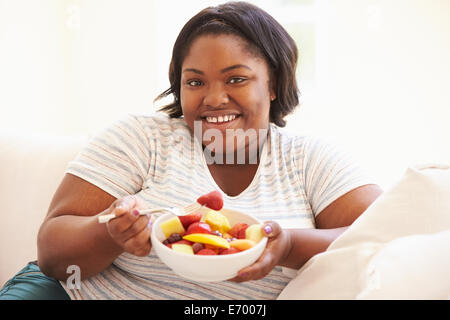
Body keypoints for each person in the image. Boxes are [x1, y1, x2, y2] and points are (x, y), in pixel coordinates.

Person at [0, 1, 382, 300]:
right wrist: (109, 234)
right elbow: (52, 255)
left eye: (236, 78)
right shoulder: (140, 137)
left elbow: (385, 235)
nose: (214, 98)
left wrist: (290, 245)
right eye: (195, 81)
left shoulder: (310, 160)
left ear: (273, 83)